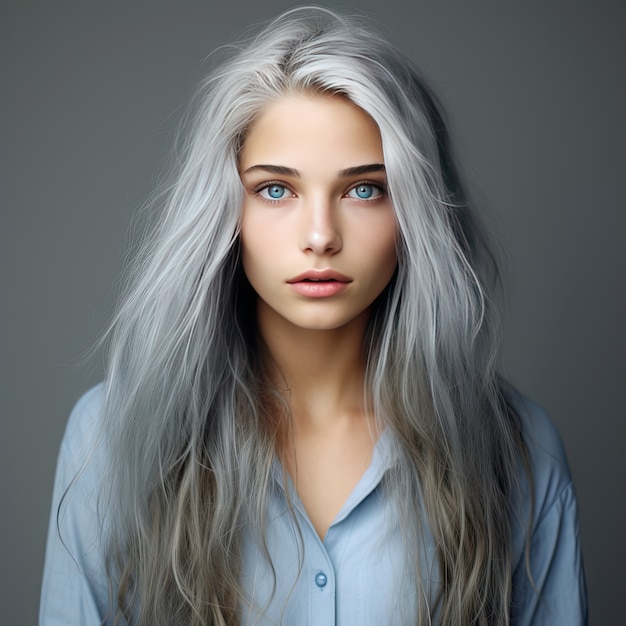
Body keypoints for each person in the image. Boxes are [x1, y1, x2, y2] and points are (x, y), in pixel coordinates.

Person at [40, 7, 588, 626]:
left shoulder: (517, 450)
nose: (321, 236)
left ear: (415, 213)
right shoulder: (112, 436)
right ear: (225, 212)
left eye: (364, 189)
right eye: (276, 189)